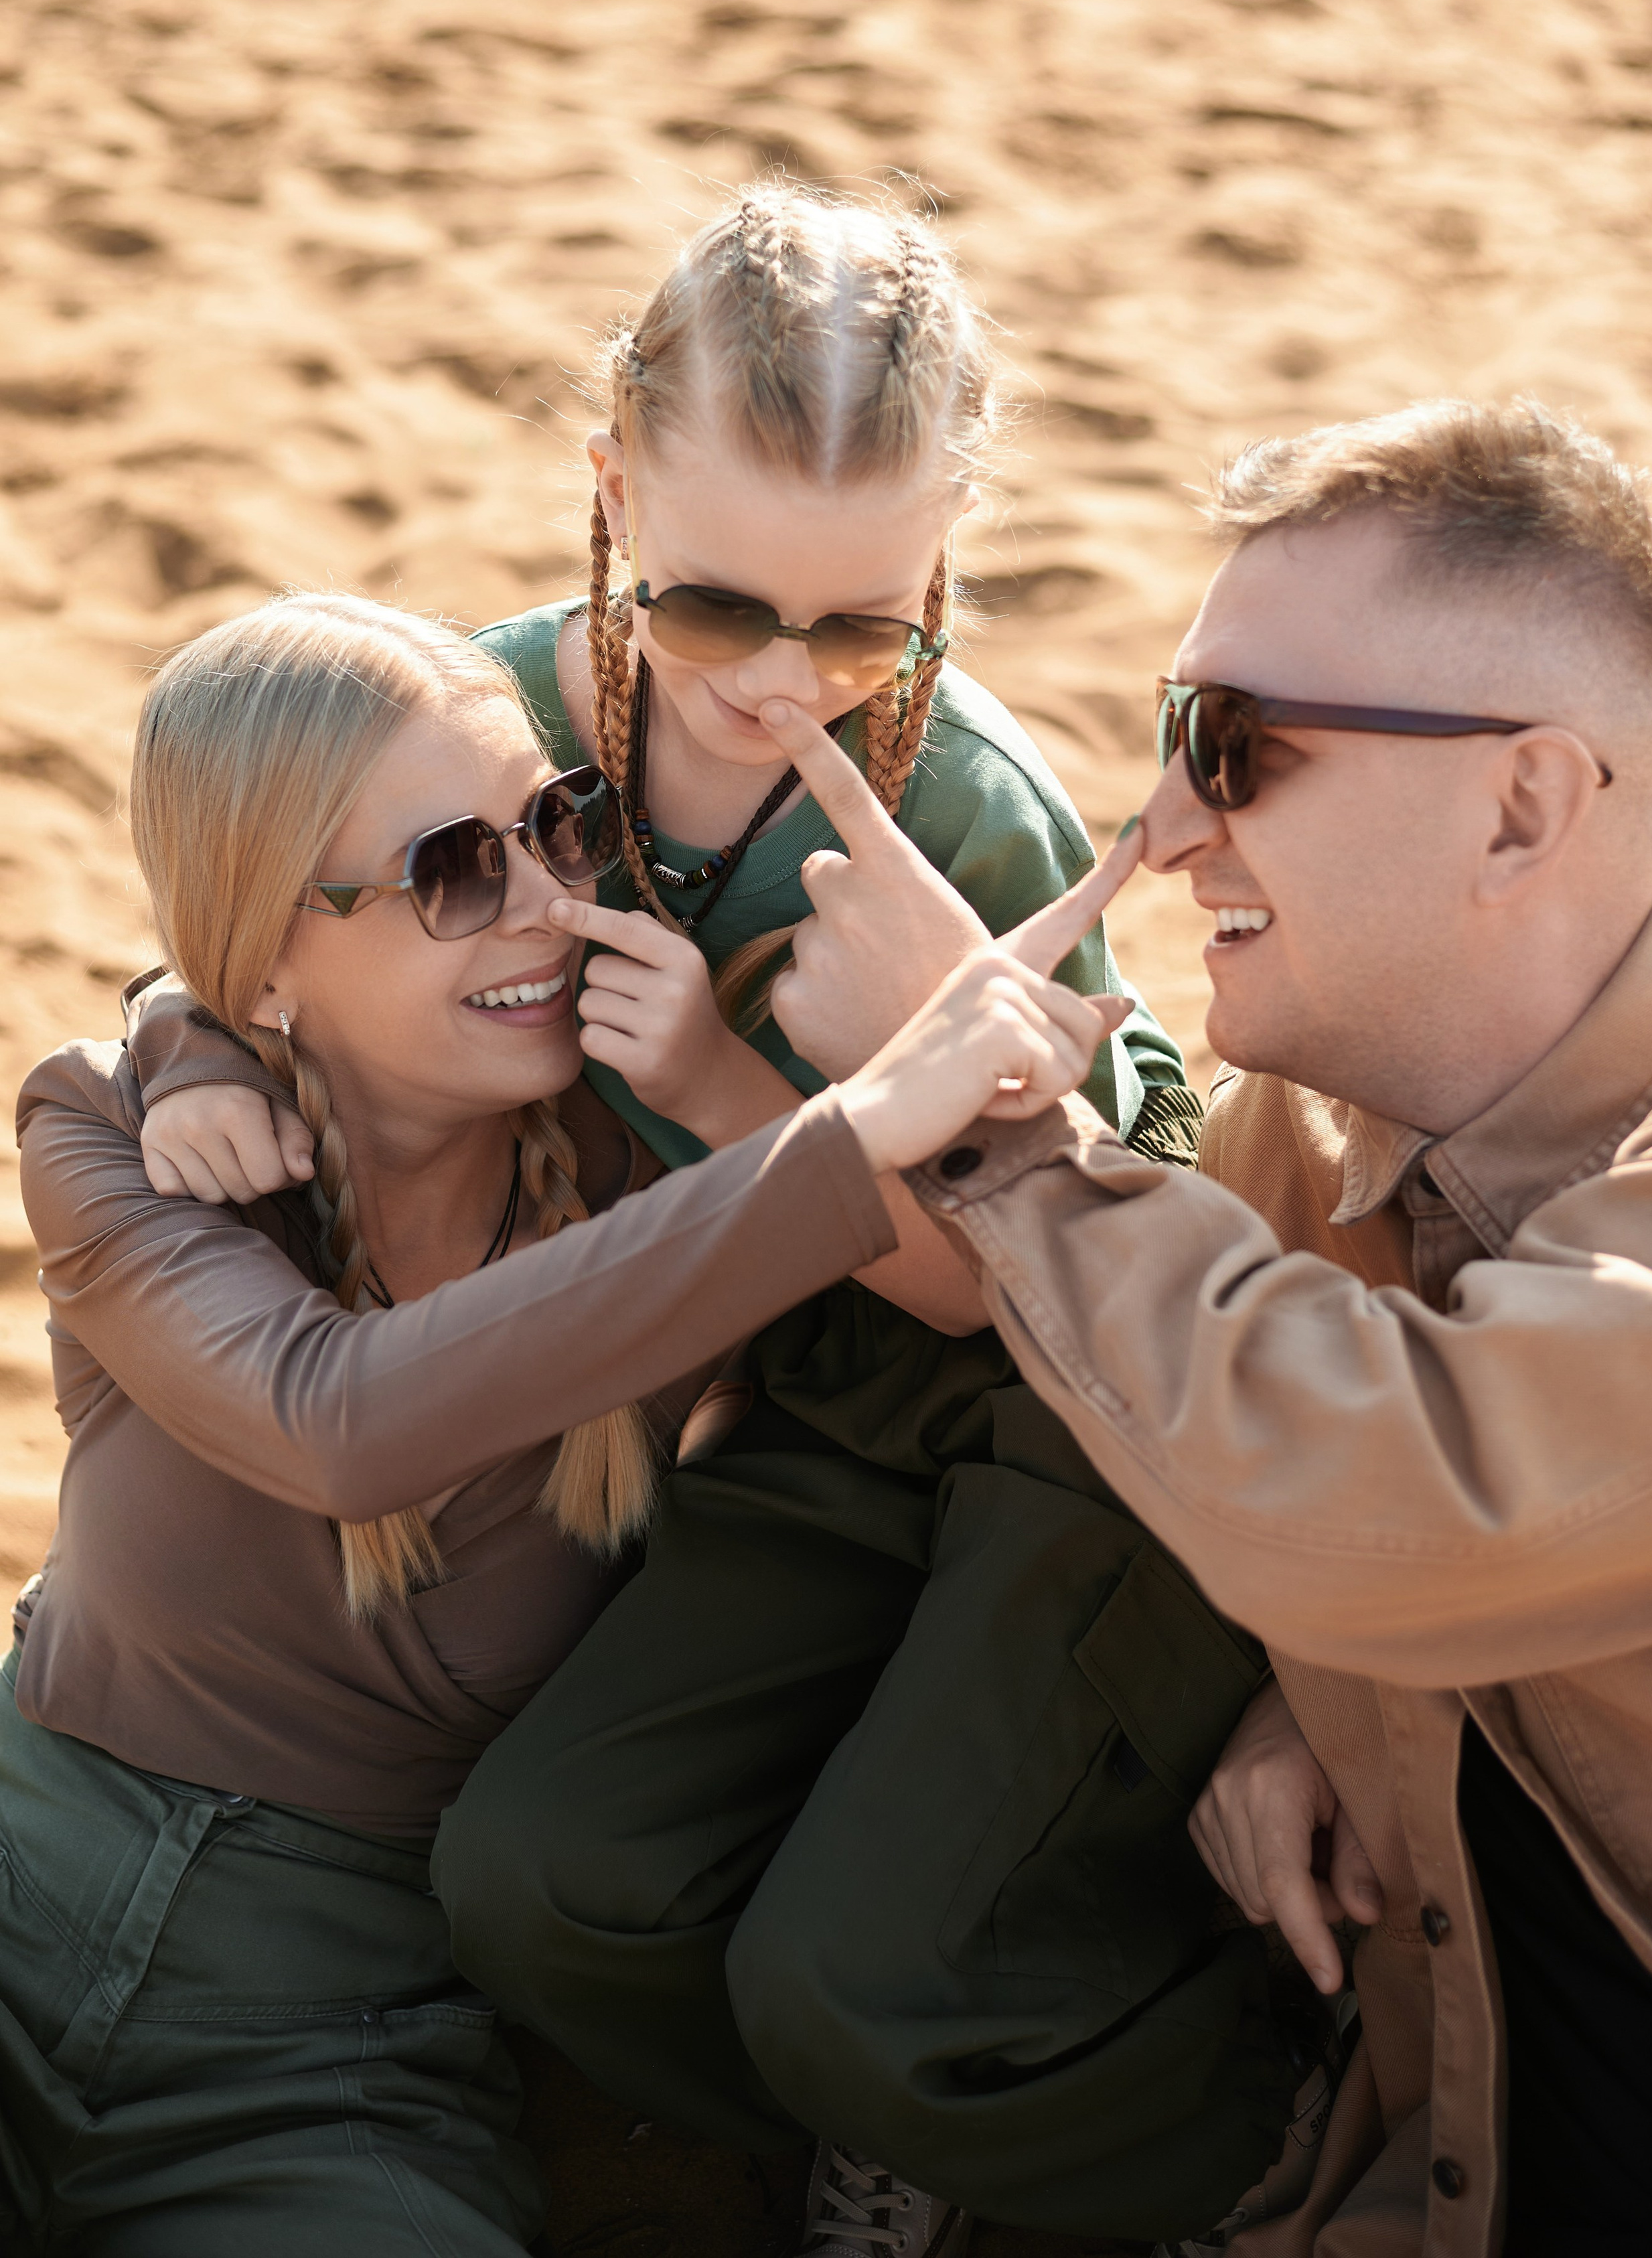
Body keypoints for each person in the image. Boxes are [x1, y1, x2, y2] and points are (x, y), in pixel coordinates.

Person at [138, 189, 1299, 2249]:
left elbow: (1030, 1290)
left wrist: (729, 1092)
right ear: (609, 489)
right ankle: (847, 2137)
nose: (781, 683)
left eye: (863, 625)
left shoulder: (973, 815)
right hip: (760, 1426)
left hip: (1014, 1401)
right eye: (713, 609)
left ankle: (1098, 2127)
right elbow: (258, 915)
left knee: (858, 1946)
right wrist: (185, 1050)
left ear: (943, 551)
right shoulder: (479, 719)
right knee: (541, 1883)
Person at [3, 590, 1104, 2258]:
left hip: (337, 2042)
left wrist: (781, 1117)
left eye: (559, 825)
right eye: (457, 868)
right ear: (267, 950)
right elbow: (340, 1422)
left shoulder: (645, 1171)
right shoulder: (117, 1132)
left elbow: (976, 1297)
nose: (540, 907)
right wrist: (859, 1126)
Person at [765, 396, 1652, 2257]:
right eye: (1167, 732)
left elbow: (1409, 1487)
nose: (1167, 822)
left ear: (1522, 803)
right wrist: (1326, 1686)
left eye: (1235, 746)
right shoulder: (1329, 1116)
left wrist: (992, 1122)